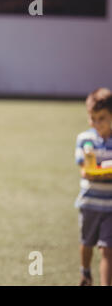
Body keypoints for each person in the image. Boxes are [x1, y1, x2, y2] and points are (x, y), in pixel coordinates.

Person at [75, 87, 112, 286]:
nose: (97, 123)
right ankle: (86, 272)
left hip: (110, 206)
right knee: (87, 243)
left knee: (107, 249)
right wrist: (99, 170)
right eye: (93, 118)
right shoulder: (84, 139)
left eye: (102, 118)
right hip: (90, 202)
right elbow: (85, 170)